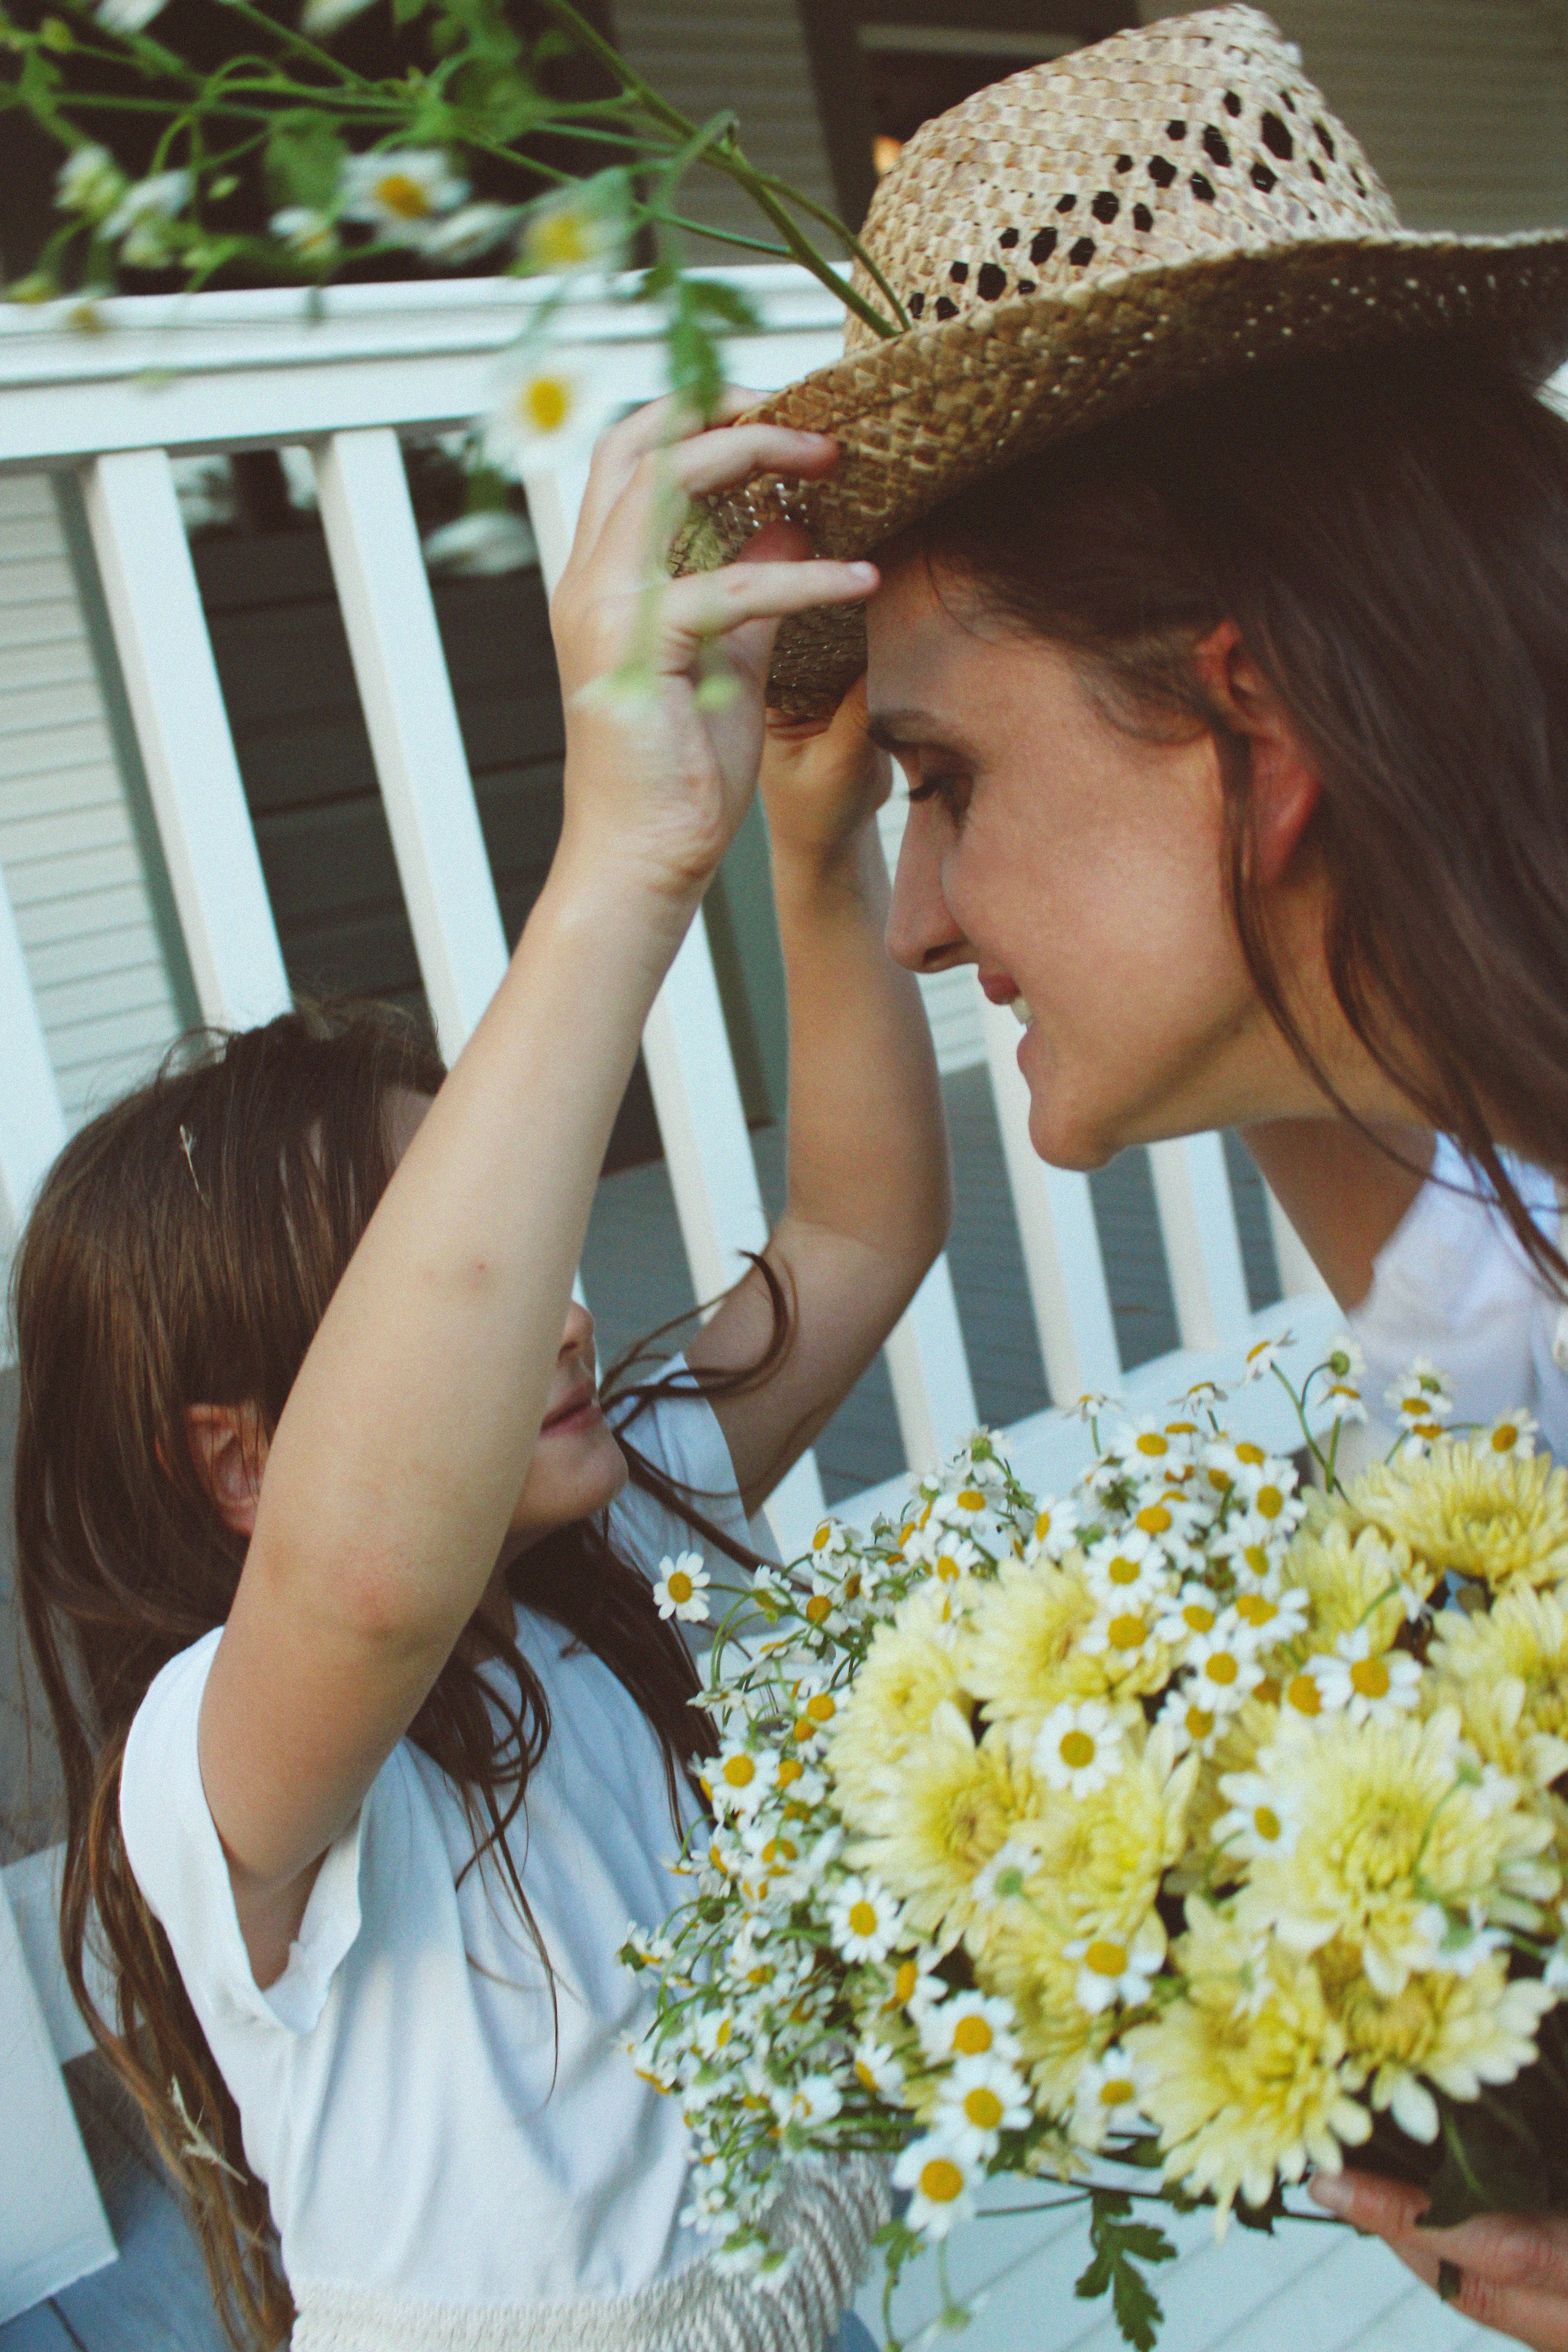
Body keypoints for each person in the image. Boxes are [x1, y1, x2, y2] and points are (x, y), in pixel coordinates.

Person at [674, 7, 1568, 2342]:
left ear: (1254, 728)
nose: (923, 913)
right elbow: (1333, 1029)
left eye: (944, 783)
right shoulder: (1473, 1227)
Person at [16, 393, 947, 2352]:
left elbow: (858, 1238)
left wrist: (813, 845)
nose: (556, 1312)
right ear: (249, 1462)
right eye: (444, 1290)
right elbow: (369, 1577)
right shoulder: (227, 1760)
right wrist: (618, 865)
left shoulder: (618, 1521)